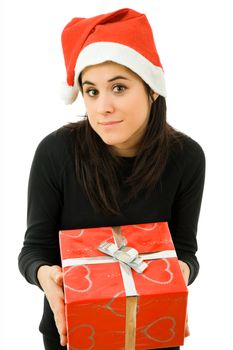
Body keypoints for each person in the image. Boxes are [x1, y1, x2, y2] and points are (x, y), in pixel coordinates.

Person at [18, 7, 205, 350]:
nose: (103, 107)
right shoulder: (56, 152)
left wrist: (181, 273)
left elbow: (186, 251)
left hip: (153, 330)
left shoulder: (186, 158)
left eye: (118, 88)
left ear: (152, 89)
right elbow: (33, 251)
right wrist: (46, 275)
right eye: (92, 91)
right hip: (71, 333)